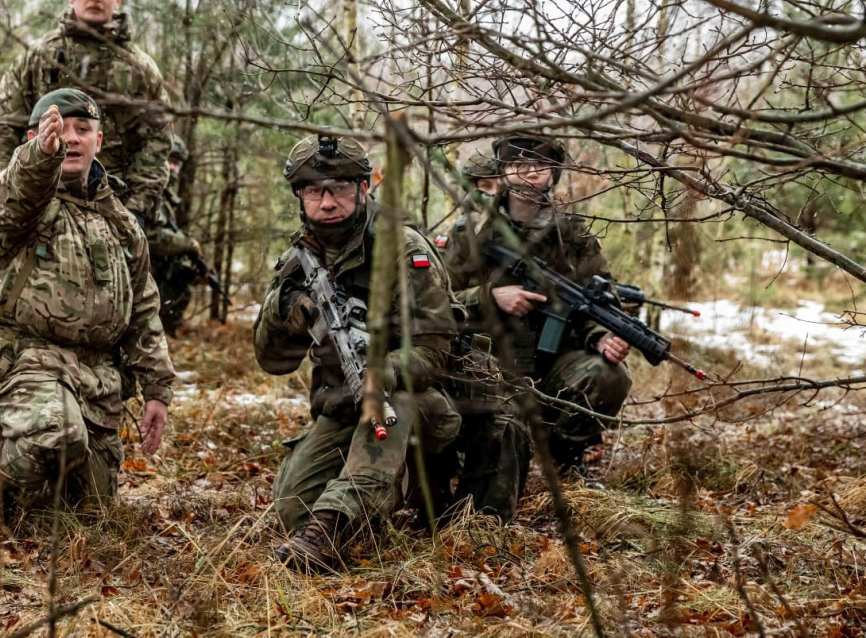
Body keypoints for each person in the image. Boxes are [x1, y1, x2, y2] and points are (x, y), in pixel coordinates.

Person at [254, 134, 462, 573]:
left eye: (340, 189)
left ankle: (328, 530)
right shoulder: (298, 260)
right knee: (292, 507)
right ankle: (362, 504)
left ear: (364, 189)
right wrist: (285, 315)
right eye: (314, 191)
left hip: (418, 403)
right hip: (342, 405)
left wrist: (383, 373)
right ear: (300, 196)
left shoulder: (405, 251)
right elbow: (271, 361)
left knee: (391, 407)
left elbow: (434, 352)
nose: (327, 202)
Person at [0, 88, 175, 516]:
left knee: (92, 509)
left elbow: (144, 308)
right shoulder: (18, 202)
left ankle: (31, 489)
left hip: (96, 381)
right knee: (57, 436)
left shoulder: (118, 220)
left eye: (84, 130)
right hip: (26, 363)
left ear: (99, 142)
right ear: (32, 136)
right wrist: (42, 154)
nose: (73, 139)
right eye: (63, 129)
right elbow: (14, 195)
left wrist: (157, 390)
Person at [440, 134, 632, 495]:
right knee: (496, 466)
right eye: (518, 166)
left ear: (553, 174)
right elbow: (437, 301)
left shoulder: (573, 234)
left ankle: (566, 455)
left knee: (609, 375)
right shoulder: (469, 232)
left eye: (539, 167)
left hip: (553, 362)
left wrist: (601, 336)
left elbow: (597, 299)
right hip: (488, 365)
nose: (528, 175)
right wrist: (489, 297)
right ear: (503, 172)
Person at [0, 0, 173, 224]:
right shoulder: (39, 57)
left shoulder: (139, 68)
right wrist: (6, 191)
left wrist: (136, 209)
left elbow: (157, 142)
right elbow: (5, 126)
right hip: (38, 196)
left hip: (112, 201)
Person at [147, 134, 206, 335]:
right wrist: (187, 244)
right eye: (169, 161)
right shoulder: (149, 193)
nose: (173, 168)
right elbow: (151, 237)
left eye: (177, 164)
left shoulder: (165, 197)